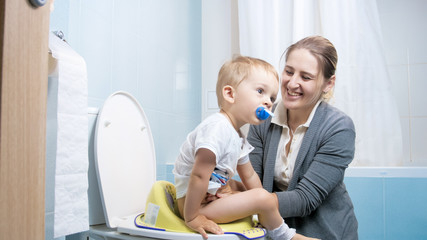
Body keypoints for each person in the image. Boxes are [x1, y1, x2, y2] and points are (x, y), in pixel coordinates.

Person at [173, 56, 316, 240]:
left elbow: (249, 175)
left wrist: (253, 199)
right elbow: (199, 175)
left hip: (206, 195)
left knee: (250, 190)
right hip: (191, 204)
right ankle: (284, 236)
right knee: (263, 199)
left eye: (272, 97)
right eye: (260, 91)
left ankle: (265, 217)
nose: (269, 102)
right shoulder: (217, 129)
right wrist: (192, 217)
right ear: (230, 94)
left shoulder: (237, 135)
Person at [245, 36, 358, 239]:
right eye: (289, 72)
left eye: (306, 77)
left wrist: (241, 203)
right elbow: (254, 184)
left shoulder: (338, 127)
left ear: (328, 83)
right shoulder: (262, 118)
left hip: (327, 233)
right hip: (276, 232)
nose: (292, 83)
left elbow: (305, 199)